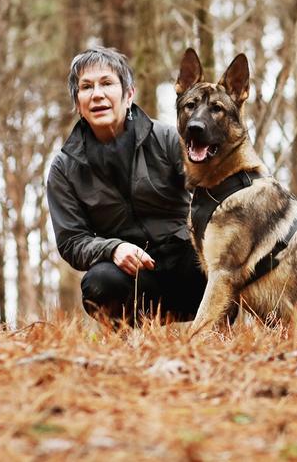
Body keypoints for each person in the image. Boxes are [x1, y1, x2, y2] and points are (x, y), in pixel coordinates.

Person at [46, 47, 207, 325]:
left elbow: (210, 191)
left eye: (107, 83)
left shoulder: (167, 139)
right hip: (134, 278)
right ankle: (130, 349)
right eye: (86, 87)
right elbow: (72, 241)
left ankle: (217, 330)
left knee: (221, 259)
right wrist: (113, 249)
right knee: (98, 283)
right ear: (78, 101)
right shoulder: (64, 168)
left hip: (188, 266)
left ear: (129, 94)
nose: (97, 94)